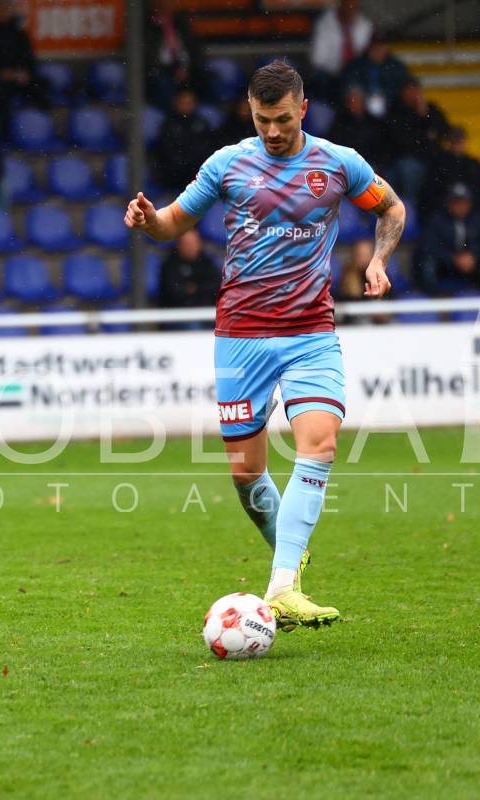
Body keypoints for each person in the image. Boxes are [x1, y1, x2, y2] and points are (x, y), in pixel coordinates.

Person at [125, 61, 405, 630]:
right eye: (261, 120)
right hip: (241, 335)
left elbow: (391, 208)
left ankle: (281, 588)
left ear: (303, 109)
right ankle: (291, 559)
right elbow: (174, 223)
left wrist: (378, 260)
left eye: (282, 119)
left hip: (310, 332)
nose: (272, 131)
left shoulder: (338, 163)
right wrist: (149, 220)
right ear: (250, 113)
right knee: (246, 474)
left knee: (319, 444)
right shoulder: (227, 164)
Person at [419, 126, 480, 243]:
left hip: (475, 214)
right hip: (445, 215)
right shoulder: (438, 165)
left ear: (466, 141)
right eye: (455, 141)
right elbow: (428, 195)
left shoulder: (475, 165)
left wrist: (471, 207)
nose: (458, 145)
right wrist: (452, 207)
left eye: (460, 141)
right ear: (449, 142)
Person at [414, 183, 480, 296]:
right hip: (445, 266)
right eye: (456, 203)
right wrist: (453, 258)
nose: (461, 206)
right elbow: (429, 246)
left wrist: (473, 256)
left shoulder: (476, 219)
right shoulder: (437, 220)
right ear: (449, 203)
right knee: (427, 264)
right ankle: (434, 298)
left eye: (464, 203)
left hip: (471, 263)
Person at [386, 77, 450, 204]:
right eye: (409, 91)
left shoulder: (430, 109)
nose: (413, 95)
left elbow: (444, 131)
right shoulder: (396, 111)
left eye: (416, 91)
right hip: (407, 158)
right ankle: (411, 206)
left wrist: (425, 116)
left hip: (431, 157)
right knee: (409, 169)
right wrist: (425, 132)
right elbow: (401, 140)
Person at [0, 0, 48, 137]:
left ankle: (40, 129)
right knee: (0, 96)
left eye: (7, 8)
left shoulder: (18, 33)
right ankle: (6, 134)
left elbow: (28, 58)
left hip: (18, 78)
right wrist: (1, 73)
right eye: (1, 8)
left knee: (42, 85)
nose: (4, 11)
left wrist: (24, 73)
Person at [310, 0, 373, 99]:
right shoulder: (325, 24)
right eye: (348, 4)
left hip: (358, 73)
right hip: (333, 74)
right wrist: (339, 66)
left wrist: (353, 67)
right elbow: (317, 59)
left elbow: (368, 54)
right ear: (341, 4)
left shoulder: (365, 24)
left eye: (354, 5)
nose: (350, 9)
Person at [153, 86, 212, 191]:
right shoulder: (168, 124)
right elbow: (165, 151)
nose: (186, 106)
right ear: (176, 103)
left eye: (189, 102)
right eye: (183, 102)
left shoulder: (202, 124)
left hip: (197, 174)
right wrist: (181, 164)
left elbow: (206, 148)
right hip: (172, 175)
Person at [157, 228, 221, 325]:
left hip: (206, 312)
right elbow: (175, 293)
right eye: (187, 244)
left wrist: (196, 289)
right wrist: (199, 290)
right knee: (193, 326)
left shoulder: (206, 263)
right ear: (179, 245)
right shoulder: (170, 265)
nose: (191, 247)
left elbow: (216, 287)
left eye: (193, 243)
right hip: (178, 316)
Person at [341, 33, 410, 118]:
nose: (378, 50)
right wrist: (357, 94)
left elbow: (405, 84)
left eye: (381, 46)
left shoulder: (396, 66)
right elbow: (350, 84)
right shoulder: (356, 65)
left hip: (391, 107)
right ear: (369, 47)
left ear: (386, 48)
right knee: (354, 100)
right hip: (364, 107)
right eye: (375, 47)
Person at [327, 85, 389, 173]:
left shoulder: (373, 123)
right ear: (347, 103)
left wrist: (375, 164)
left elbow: (380, 147)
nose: (355, 104)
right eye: (352, 100)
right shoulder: (340, 123)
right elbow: (335, 147)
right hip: (347, 165)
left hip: (370, 164)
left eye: (358, 100)